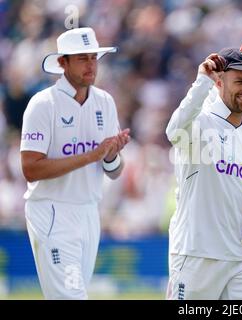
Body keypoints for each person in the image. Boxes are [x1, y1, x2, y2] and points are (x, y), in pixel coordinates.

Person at [20, 27, 130, 299]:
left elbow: (114, 172)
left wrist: (111, 154)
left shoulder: (105, 102)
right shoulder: (43, 104)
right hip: (52, 211)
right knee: (71, 296)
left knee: (71, 294)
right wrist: (92, 155)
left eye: (93, 57)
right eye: (82, 59)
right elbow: (31, 169)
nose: (91, 65)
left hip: (89, 211)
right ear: (62, 62)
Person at [165, 44, 242, 300]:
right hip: (198, 252)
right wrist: (201, 81)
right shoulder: (201, 120)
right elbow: (173, 131)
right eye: (239, 81)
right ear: (219, 82)